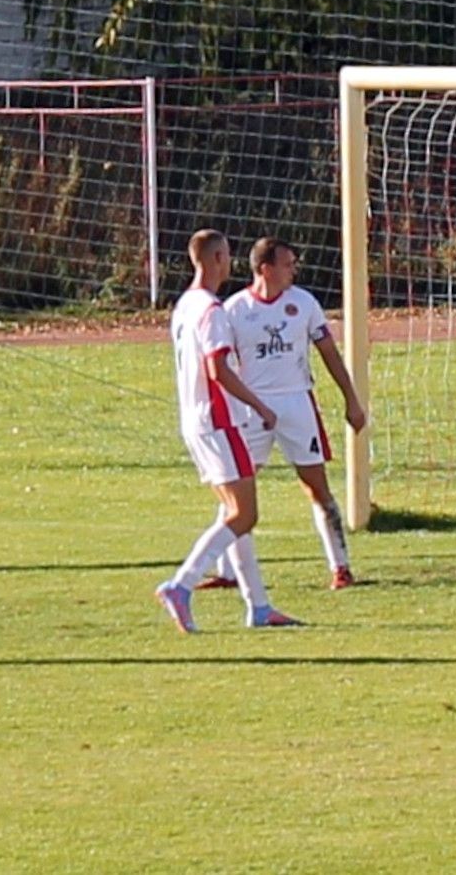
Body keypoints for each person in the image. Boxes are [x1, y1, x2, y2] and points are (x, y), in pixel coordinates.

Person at [152, 229, 301, 632]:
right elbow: (217, 370)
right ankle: (180, 585)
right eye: (228, 256)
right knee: (244, 513)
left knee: (231, 510)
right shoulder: (212, 311)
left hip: (195, 420)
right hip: (219, 420)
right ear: (218, 258)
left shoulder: (184, 306)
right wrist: (259, 405)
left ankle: (259, 606)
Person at [198, 237, 367, 591]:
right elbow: (220, 365)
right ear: (265, 269)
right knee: (236, 489)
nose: (293, 270)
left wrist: (351, 399)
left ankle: (341, 566)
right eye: (287, 264)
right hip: (250, 409)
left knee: (316, 487)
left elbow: (328, 353)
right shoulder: (234, 310)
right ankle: (228, 573)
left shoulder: (303, 304)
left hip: (296, 405)